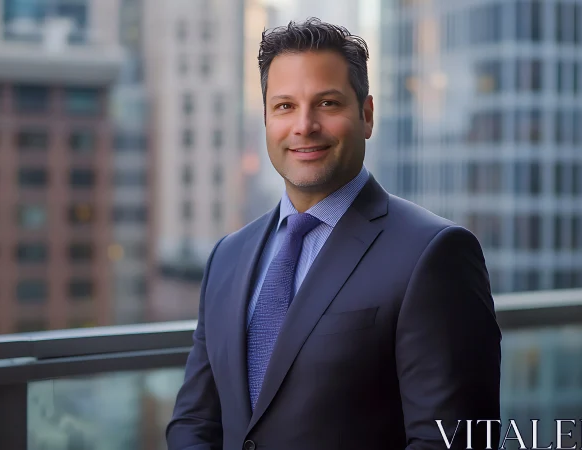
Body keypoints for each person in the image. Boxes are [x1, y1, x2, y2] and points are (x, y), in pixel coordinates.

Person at [166, 18, 501, 450]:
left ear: (366, 115)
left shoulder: (435, 254)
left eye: (326, 103)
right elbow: (194, 420)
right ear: (265, 119)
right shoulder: (227, 257)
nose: (304, 125)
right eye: (284, 106)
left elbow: (455, 440)